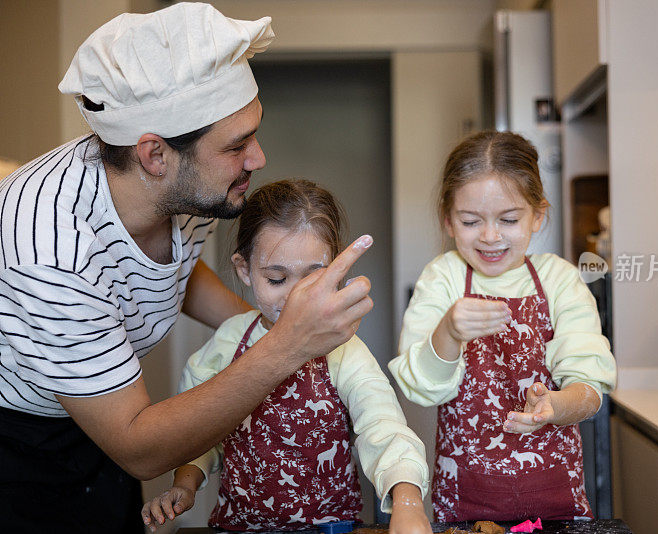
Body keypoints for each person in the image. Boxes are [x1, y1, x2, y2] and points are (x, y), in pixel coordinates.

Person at [0, 4, 373, 532]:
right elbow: (139, 447)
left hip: (107, 425)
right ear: (154, 154)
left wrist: (256, 323)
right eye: (237, 145)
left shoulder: (189, 189)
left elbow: (170, 264)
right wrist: (287, 342)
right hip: (19, 446)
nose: (258, 158)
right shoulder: (49, 252)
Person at [140, 180, 431, 533]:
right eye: (277, 278)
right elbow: (199, 434)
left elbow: (382, 429)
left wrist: (408, 500)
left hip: (331, 527)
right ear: (245, 269)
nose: (297, 299)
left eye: (313, 278)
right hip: (239, 527)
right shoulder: (228, 343)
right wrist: (184, 486)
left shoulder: (345, 351)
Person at [388, 131, 617, 521]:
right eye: (471, 221)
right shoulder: (442, 279)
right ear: (448, 219)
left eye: (509, 219)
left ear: (538, 215)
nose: (491, 236)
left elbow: (590, 390)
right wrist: (449, 332)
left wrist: (555, 405)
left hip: (556, 502)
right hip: (464, 505)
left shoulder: (559, 280)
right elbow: (421, 390)